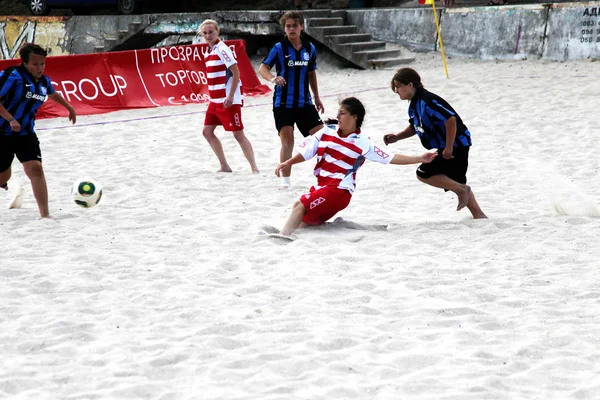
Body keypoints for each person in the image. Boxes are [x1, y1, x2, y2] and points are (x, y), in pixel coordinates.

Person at [274, 97, 437, 237]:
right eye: (338, 112)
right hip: (321, 187)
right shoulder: (326, 131)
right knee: (304, 223)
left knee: (299, 206)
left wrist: (419, 158)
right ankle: (342, 226)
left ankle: (281, 237)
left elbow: (390, 158)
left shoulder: (362, 142)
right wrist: (288, 162)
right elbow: (307, 153)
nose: (338, 116)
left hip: (339, 190)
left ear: (354, 117)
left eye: (342, 113)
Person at [383, 67, 487, 219]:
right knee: (456, 181)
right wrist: (397, 137)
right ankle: (479, 215)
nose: (396, 90)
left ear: (410, 85)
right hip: (451, 144)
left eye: (398, 86)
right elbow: (415, 126)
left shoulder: (427, 101)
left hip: (457, 143)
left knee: (423, 173)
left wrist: (449, 147)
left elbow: (450, 120)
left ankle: (464, 193)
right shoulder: (414, 103)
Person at [0, 43, 76, 218]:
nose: (40, 68)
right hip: (2, 132)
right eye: (35, 64)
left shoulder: (43, 81)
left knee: (36, 169)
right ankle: (5, 182)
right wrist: (10, 119)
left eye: (42, 64)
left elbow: (52, 93)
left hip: (26, 132)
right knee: (2, 176)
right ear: (25, 63)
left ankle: (45, 215)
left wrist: (69, 107)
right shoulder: (12, 76)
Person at [258, 11, 325, 189]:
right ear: (284, 29)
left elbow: (311, 74)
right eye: (288, 26)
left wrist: (317, 97)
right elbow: (263, 68)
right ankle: (285, 182)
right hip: (283, 104)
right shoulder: (279, 48)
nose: (292, 29)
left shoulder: (309, 48)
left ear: (301, 27)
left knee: (323, 138)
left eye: (295, 25)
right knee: (288, 142)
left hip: (305, 103)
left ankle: (326, 175)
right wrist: (272, 78)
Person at [198, 19, 259, 174]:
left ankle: (254, 168)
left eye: (211, 32)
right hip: (215, 100)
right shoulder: (209, 50)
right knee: (207, 132)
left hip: (228, 100)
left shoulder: (222, 48)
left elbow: (236, 72)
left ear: (217, 31)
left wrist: (231, 96)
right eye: (205, 33)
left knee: (238, 134)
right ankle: (224, 166)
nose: (208, 35)